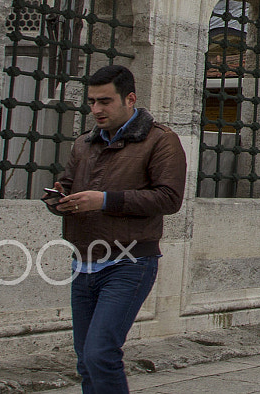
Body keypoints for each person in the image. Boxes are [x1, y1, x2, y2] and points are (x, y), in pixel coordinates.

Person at [45, 65, 186, 394]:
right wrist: (58, 200)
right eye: (92, 101)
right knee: (85, 360)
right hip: (82, 263)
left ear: (130, 99)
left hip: (129, 262)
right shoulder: (84, 143)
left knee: (100, 353)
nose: (96, 110)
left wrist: (104, 200)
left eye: (105, 101)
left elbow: (169, 198)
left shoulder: (160, 141)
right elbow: (67, 184)